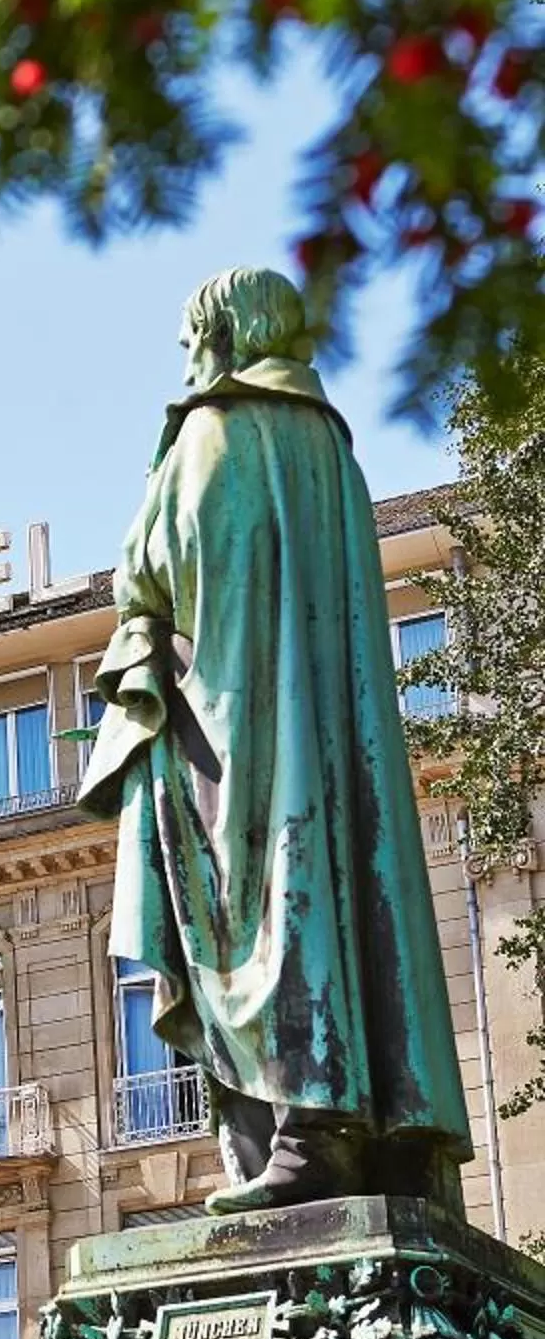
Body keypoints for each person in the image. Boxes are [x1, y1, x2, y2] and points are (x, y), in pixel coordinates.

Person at [79, 266, 471, 1214]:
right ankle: (386, 1135)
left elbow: (158, 570)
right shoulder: (331, 449)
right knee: (355, 906)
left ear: (222, 332)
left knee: (257, 908)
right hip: (337, 743)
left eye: (191, 337)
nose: (187, 357)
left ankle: (309, 1129)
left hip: (236, 732)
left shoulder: (210, 437)